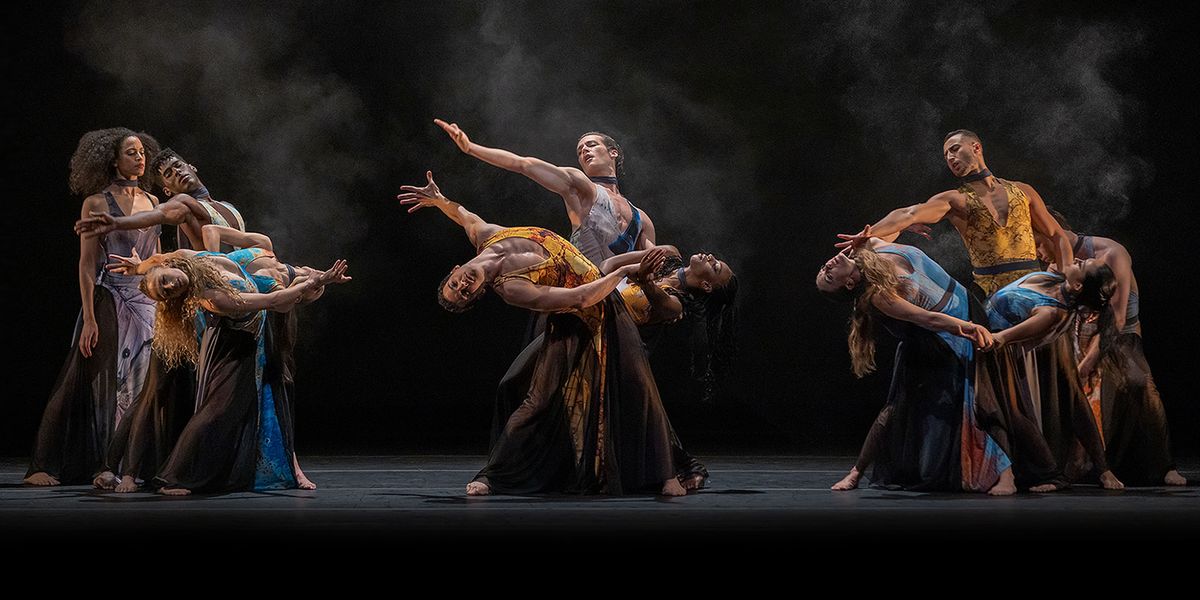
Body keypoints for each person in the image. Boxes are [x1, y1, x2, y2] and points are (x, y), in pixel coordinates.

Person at [398, 171, 699, 496]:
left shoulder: (486, 235)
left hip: (607, 309)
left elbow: (464, 215)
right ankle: (492, 476)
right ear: (478, 293)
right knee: (535, 398)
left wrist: (438, 200)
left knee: (639, 385)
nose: (463, 285)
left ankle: (672, 474)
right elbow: (579, 299)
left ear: (456, 270)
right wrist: (624, 270)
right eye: (464, 293)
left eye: (456, 284)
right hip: (577, 316)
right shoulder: (511, 287)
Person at [107, 244, 348, 495]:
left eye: (164, 280)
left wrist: (138, 267)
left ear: (167, 267)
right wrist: (319, 280)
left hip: (248, 343)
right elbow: (274, 301)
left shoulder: (186, 256)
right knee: (214, 411)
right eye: (166, 292)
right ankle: (169, 479)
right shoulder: (212, 298)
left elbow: (157, 258)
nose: (170, 286)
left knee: (240, 410)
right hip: (231, 347)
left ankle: (218, 471)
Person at [815, 234, 1015, 495]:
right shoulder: (879, 297)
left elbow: (894, 224)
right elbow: (928, 319)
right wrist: (967, 327)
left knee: (987, 397)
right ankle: (856, 472)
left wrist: (906, 224)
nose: (827, 267)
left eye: (823, 269)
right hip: (939, 339)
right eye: (829, 277)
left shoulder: (870, 247)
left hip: (966, 308)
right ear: (850, 283)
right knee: (953, 404)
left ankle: (1011, 472)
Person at [25, 128, 161, 487]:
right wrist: (88, 317)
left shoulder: (153, 201)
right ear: (112, 160)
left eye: (142, 152)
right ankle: (43, 464)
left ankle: (119, 466)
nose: (140, 158)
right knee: (83, 377)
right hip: (109, 298)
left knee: (139, 386)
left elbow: (157, 257)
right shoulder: (97, 203)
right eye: (131, 153)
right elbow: (87, 264)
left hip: (147, 301)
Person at [979, 259, 1125, 490]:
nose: (1076, 259)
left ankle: (1047, 474)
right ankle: (1090, 470)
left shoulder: (1050, 312)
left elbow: (1002, 339)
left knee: (1010, 412)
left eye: (1082, 264)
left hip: (998, 351)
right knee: (1022, 409)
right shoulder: (1055, 281)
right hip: (997, 340)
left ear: (1078, 285)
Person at [434, 119, 655, 266]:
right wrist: (470, 147)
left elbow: (655, 261)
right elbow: (523, 164)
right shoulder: (579, 184)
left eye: (590, 145)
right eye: (580, 151)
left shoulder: (641, 218)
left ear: (613, 152)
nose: (584, 151)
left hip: (627, 296)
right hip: (586, 288)